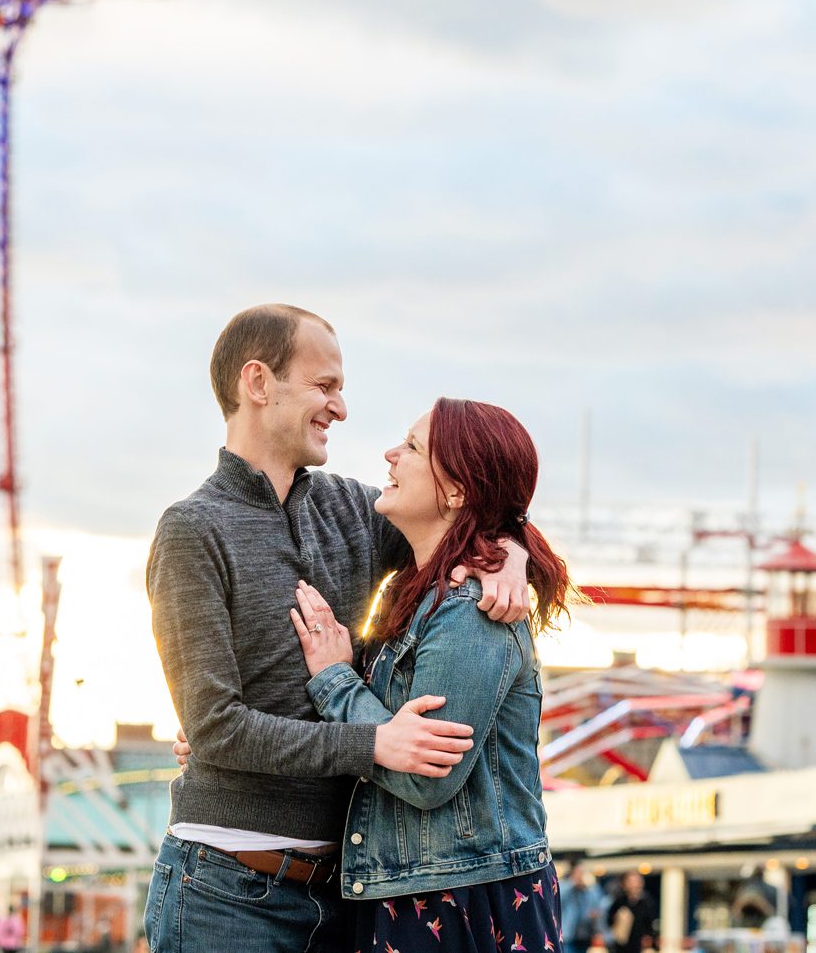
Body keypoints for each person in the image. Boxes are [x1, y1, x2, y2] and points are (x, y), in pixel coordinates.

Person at [144, 306, 532, 953]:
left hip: (345, 901)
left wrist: (511, 550)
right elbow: (215, 727)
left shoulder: (353, 507)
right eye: (324, 385)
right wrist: (373, 742)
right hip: (224, 895)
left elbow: (457, 522)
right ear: (258, 383)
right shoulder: (193, 529)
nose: (341, 407)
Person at [288, 398, 570, 951]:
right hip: (419, 891)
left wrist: (334, 679)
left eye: (412, 447)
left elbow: (425, 773)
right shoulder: (413, 594)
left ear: (458, 491)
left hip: (464, 900)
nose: (391, 455)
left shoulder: (470, 612)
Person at [606, 871, 658, 953]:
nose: (633, 884)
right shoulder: (619, 902)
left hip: (640, 946)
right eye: (630, 881)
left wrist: (650, 937)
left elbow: (652, 923)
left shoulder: (647, 902)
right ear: (624, 884)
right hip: (622, 946)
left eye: (636, 881)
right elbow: (609, 921)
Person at [560, 865, 608, 951]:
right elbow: (559, 897)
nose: (580, 876)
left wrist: (590, 886)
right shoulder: (565, 886)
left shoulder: (590, 890)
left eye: (582, 873)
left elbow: (600, 904)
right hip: (569, 934)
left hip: (586, 934)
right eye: (578, 873)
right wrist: (573, 883)